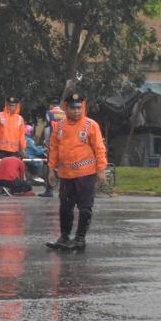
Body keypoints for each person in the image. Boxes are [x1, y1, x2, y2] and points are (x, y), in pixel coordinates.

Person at [45, 92, 107, 252]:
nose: (76, 111)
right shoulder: (59, 127)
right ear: (66, 109)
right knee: (65, 207)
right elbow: (53, 149)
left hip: (86, 174)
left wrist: (101, 170)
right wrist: (51, 170)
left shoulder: (90, 125)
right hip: (66, 175)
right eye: (73, 108)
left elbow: (99, 148)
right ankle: (64, 237)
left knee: (85, 207)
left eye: (79, 108)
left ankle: (79, 239)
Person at [0, 97, 27, 193]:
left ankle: (11, 187)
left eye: (13, 105)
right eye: (10, 105)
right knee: (1, 168)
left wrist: (23, 148)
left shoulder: (20, 119)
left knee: (12, 169)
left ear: (16, 106)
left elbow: (22, 135)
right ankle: (0, 187)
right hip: (2, 148)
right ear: (6, 105)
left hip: (14, 149)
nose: (11, 107)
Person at [39, 104, 65, 197]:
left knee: (51, 166)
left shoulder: (49, 113)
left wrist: (47, 142)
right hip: (64, 144)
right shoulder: (65, 113)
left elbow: (47, 129)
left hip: (53, 144)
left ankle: (49, 189)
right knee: (64, 166)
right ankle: (64, 189)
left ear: (51, 105)